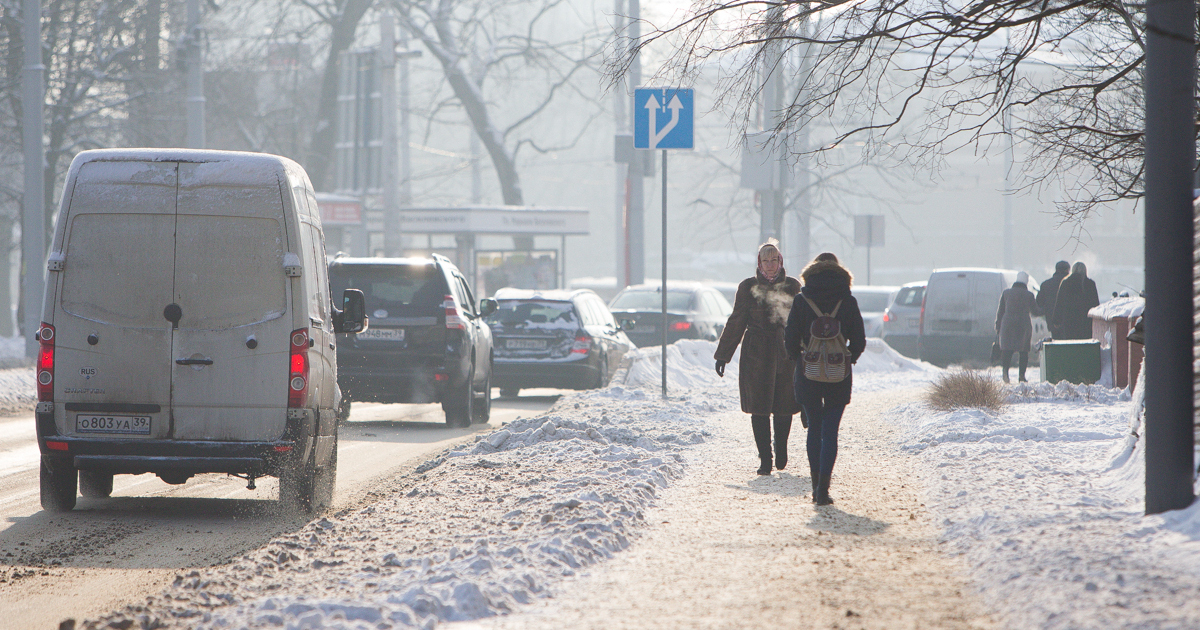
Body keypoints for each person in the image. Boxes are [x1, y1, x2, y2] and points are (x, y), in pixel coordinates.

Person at [714, 242, 804, 476]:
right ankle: (765, 459)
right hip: (757, 355)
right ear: (759, 263)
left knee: (784, 406)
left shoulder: (793, 286)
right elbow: (736, 321)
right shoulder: (747, 287)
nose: (771, 265)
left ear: (780, 261)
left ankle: (781, 447)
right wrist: (723, 355)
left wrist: (804, 350)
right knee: (759, 408)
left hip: (785, 353)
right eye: (766, 260)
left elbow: (802, 322)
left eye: (774, 260)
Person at [784, 253, 865, 505]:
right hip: (838, 374)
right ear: (839, 273)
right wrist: (847, 358)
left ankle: (814, 483)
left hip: (808, 372)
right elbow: (860, 341)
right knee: (830, 431)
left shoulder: (801, 299)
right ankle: (823, 489)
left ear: (812, 273)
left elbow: (789, 340)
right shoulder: (848, 301)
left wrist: (799, 358)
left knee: (814, 428)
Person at [996, 272, 1040, 383]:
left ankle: (1005, 374)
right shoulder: (1029, 295)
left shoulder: (1006, 293)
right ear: (1026, 282)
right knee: (1023, 352)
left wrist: (998, 326)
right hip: (1023, 325)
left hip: (1008, 325)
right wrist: (1045, 310)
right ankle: (1021, 376)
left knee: (1007, 351)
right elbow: (1035, 311)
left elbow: (1000, 312)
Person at [1051, 262, 1100, 340]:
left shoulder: (1065, 283)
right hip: (1086, 323)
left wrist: (1056, 320)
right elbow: (1095, 304)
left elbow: (1059, 303)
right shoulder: (1090, 284)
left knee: (1071, 345)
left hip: (1069, 322)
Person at [1037, 261, 1070, 337]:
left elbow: (1039, 303)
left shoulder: (1046, 284)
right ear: (1067, 270)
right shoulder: (1071, 283)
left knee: (1056, 344)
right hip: (1069, 323)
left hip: (1053, 323)